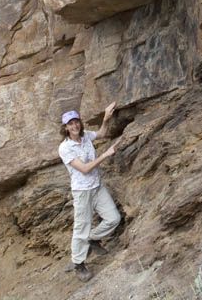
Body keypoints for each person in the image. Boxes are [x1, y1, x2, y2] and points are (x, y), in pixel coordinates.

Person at [58, 102, 122, 282]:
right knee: (80, 229)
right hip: (82, 192)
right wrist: (105, 155)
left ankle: (93, 239)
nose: (74, 126)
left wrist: (106, 118)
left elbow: (101, 134)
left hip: (97, 187)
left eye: (76, 122)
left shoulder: (85, 136)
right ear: (65, 128)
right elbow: (84, 169)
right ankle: (79, 264)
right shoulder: (65, 148)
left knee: (113, 218)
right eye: (70, 124)